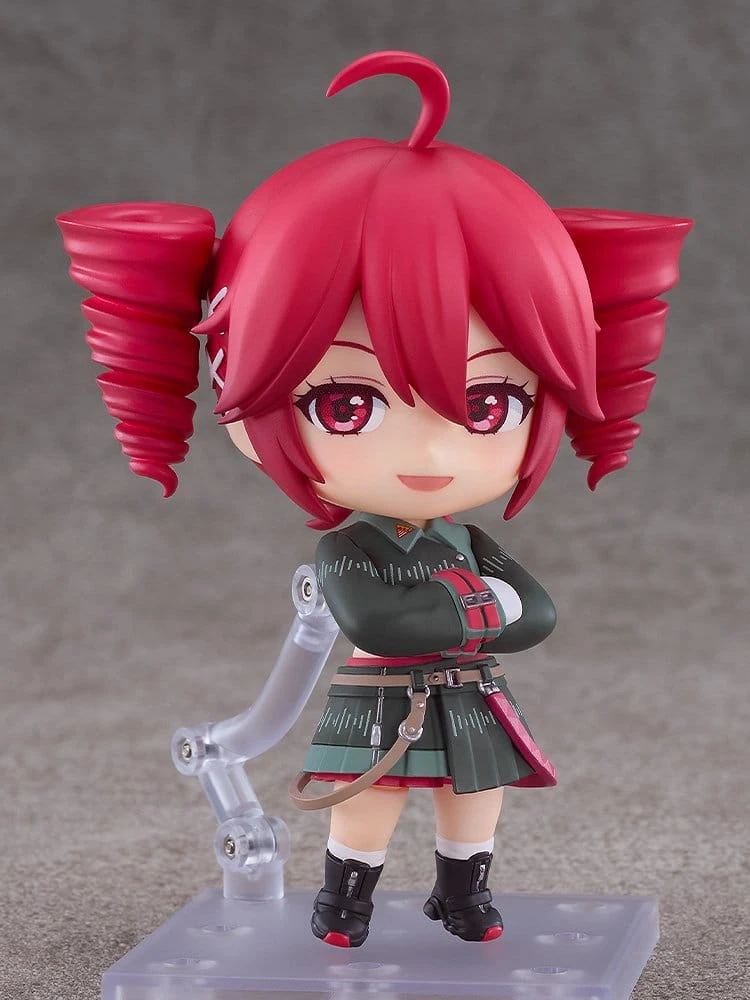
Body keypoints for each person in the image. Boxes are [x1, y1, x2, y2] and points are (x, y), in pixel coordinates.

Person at [58, 49, 691, 949]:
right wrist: (481, 608)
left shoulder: (466, 540)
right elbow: (380, 623)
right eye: (347, 404)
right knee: (369, 802)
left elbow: (539, 614)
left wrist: (474, 609)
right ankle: (343, 902)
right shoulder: (349, 549)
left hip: (470, 692)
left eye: (489, 404)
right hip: (381, 693)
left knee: (478, 798)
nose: (431, 451)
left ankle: (462, 897)